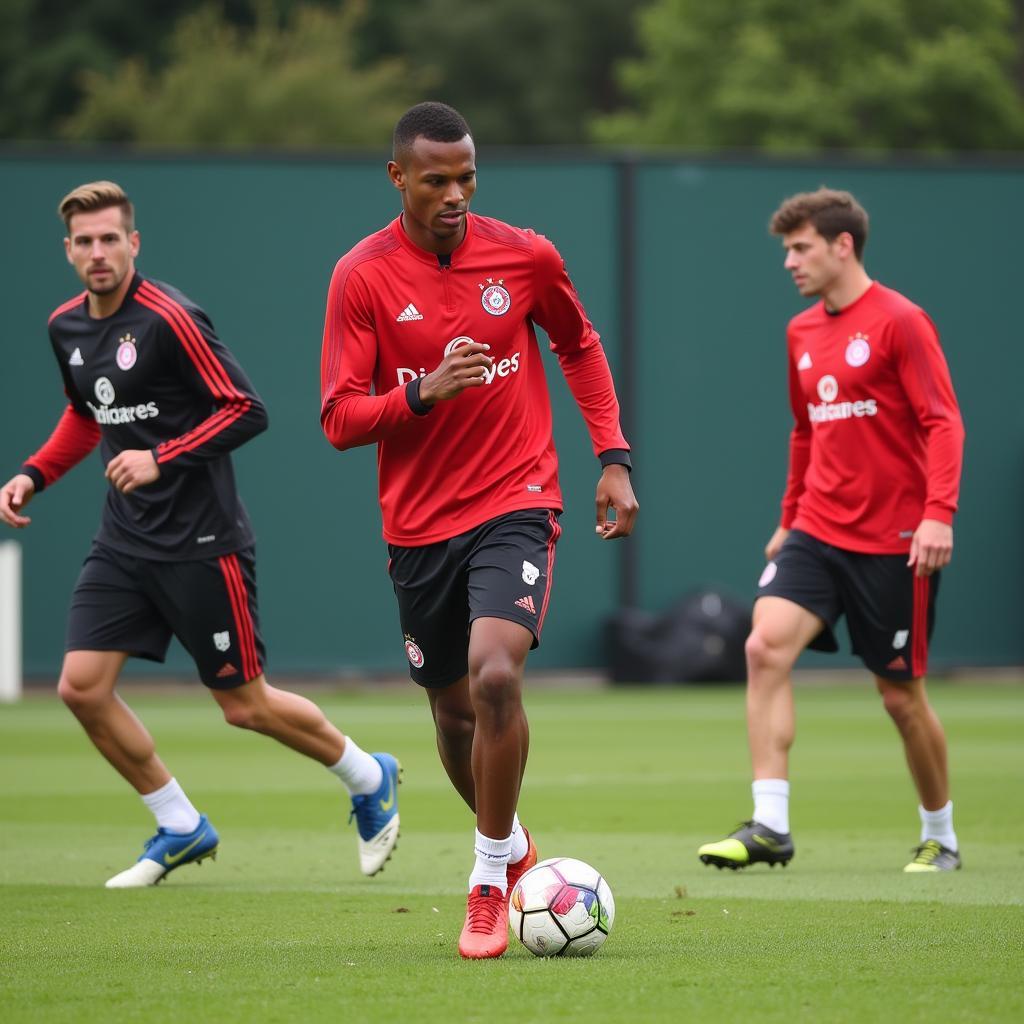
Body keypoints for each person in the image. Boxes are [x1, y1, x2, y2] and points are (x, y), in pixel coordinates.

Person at [0, 181, 401, 888]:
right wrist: (34, 473)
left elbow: (247, 409)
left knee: (244, 706)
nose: (98, 252)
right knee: (80, 688)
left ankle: (367, 775)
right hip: (123, 543)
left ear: (134, 243)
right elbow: (86, 416)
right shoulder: (66, 327)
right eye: (84, 242)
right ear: (68, 251)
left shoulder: (169, 318)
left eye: (110, 238)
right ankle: (180, 823)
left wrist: (161, 457)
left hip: (201, 544)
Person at [320, 102, 638, 958]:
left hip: (518, 497)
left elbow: (578, 344)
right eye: (436, 180)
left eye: (467, 176)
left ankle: (488, 878)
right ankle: (516, 844)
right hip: (420, 525)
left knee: (497, 676)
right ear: (398, 179)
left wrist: (612, 454)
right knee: (454, 719)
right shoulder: (361, 276)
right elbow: (340, 418)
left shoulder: (526, 255)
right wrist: (423, 392)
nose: (456, 193)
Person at [698, 188, 965, 874]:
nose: (790, 262)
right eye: (787, 249)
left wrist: (939, 513)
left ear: (842, 246)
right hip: (817, 529)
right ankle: (770, 826)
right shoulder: (801, 332)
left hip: (896, 541)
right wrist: (788, 520)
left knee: (899, 698)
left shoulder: (902, 321)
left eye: (801, 248)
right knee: (763, 647)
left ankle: (941, 834)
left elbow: (942, 421)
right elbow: (804, 432)